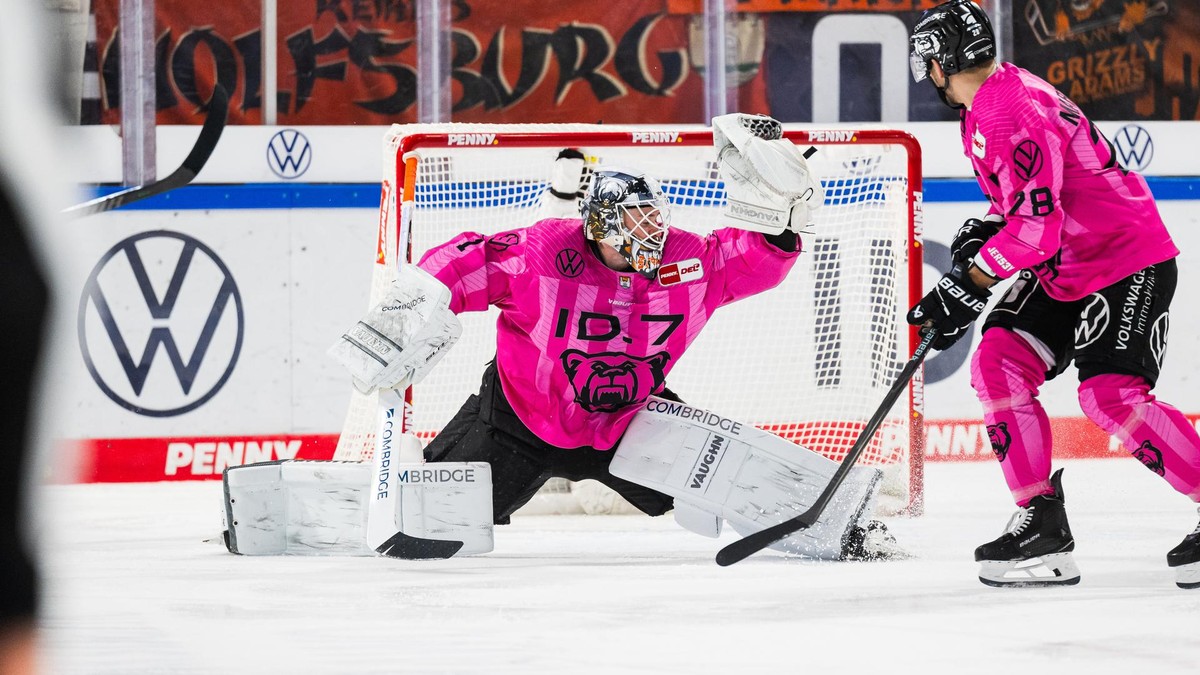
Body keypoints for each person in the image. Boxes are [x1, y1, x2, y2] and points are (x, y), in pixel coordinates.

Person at [906, 0, 1200, 588]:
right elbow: (1031, 207)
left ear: (941, 61)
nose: (926, 72)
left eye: (927, 60)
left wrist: (966, 285)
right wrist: (985, 231)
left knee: (1110, 397)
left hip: (1124, 260)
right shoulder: (988, 101)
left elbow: (1036, 230)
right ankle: (1041, 522)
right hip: (1068, 261)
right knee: (998, 363)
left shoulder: (1006, 112)